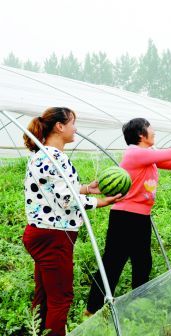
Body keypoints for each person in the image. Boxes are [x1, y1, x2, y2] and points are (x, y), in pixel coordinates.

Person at [85, 118, 171, 316]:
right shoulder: (135, 153)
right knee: (113, 263)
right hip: (124, 216)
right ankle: (92, 309)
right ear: (141, 134)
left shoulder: (147, 156)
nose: (154, 132)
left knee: (143, 263)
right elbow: (169, 153)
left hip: (141, 218)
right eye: (151, 129)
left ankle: (138, 306)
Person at [22, 107, 122, 336]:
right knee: (61, 297)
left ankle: (38, 332)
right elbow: (67, 198)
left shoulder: (42, 155)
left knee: (45, 293)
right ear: (60, 126)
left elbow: (57, 188)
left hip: (42, 232)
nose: (75, 129)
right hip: (53, 235)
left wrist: (87, 188)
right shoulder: (54, 156)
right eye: (72, 123)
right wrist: (100, 202)